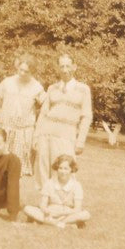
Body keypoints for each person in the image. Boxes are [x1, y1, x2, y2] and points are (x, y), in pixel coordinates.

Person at [34, 54, 93, 188]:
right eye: (62, 66)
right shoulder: (52, 88)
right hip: (46, 133)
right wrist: (36, 136)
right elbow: (43, 114)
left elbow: (86, 116)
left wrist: (81, 140)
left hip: (67, 135)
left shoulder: (83, 89)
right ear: (58, 68)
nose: (65, 70)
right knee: (43, 167)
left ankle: (63, 202)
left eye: (68, 66)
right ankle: (45, 201)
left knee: (64, 168)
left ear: (74, 67)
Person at [0, 55, 45, 176]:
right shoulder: (8, 82)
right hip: (5, 128)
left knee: (16, 169)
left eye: (26, 71)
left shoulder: (37, 87)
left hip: (23, 132)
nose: (22, 73)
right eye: (20, 69)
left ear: (32, 71)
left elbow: (45, 106)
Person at [24, 154, 90, 228]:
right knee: (27, 209)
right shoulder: (49, 183)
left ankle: (52, 222)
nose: (62, 171)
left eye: (66, 169)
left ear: (71, 169)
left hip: (68, 214)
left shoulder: (76, 185)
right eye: (60, 168)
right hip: (51, 212)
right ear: (56, 169)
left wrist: (61, 213)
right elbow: (43, 204)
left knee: (85, 214)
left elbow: (77, 208)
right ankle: (64, 224)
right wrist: (46, 211)